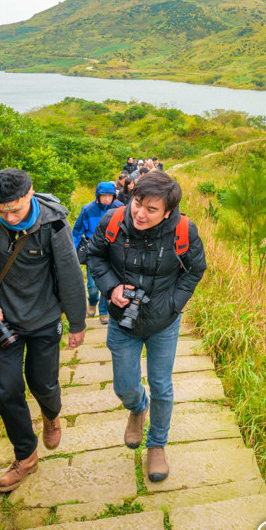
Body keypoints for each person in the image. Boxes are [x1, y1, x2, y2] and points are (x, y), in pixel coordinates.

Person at [0, 168, 87, 493]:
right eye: (1, 210)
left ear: (30, 193)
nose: (9, 216)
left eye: (15, 209)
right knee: (7, 392)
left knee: (43, 382)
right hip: (1, 322)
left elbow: (70, 277)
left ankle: (51, 415)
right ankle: (25, 456)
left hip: (44, 320)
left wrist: (77, 324)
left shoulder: (54, 224)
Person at [85, 170, 206, 483]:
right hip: (121, 319)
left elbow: (195, 270)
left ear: (167, 211)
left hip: (162, 322)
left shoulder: (183, 230)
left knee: (162, 386)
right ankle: (138, 407)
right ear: (132, 195)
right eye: (138, 203)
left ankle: (157, 445)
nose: (140, 213)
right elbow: (94, 255)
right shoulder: (112, 221)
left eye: (152, 209)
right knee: (124, 387)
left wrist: (173, 305)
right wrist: (111, 287)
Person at [72, 181, 123, 324]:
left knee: (109, 283)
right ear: (97, 195)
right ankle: (92, 301)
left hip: (113, 250)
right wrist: (71, 252)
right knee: (93, 284)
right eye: (103, 196)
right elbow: (76, 232)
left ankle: (104, 311)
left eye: (110, 196)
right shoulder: (87, 210)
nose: (107, 199)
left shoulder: (120, 209)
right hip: (93, 250)